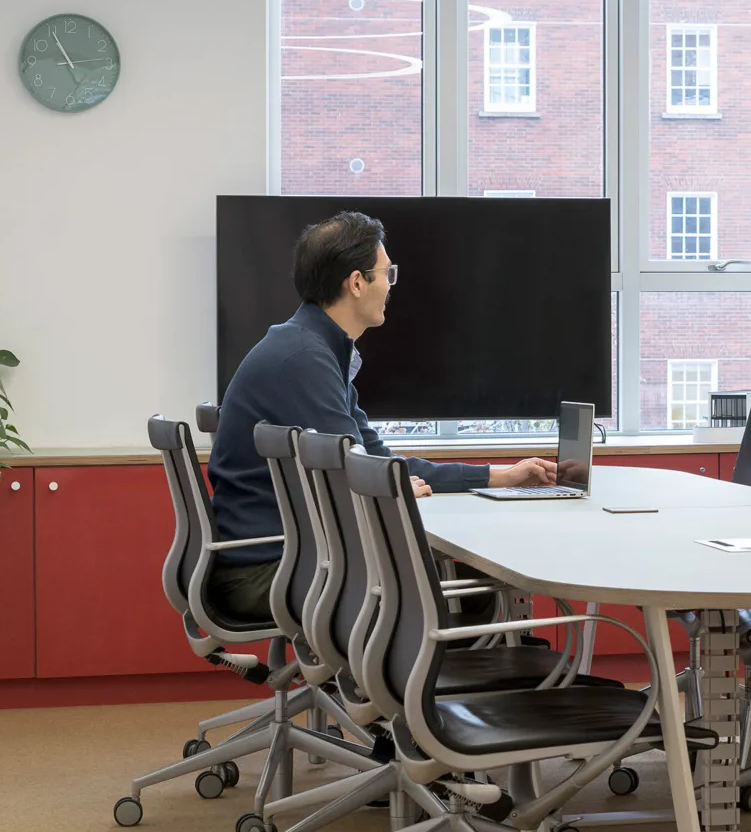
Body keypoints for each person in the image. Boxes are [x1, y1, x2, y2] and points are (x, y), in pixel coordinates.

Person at [204, 210, 557, 625]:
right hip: (266, 572)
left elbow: (380, 465)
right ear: (357, 283)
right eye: (386, 274)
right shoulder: (303, 360)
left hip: (284, 558)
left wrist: (499, 476)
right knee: (465, 579)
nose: (390, 287)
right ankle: (423, 687)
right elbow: (367, 478)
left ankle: (409, 685)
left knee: (457, 574)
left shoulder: (312, 349)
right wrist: (391, 485)